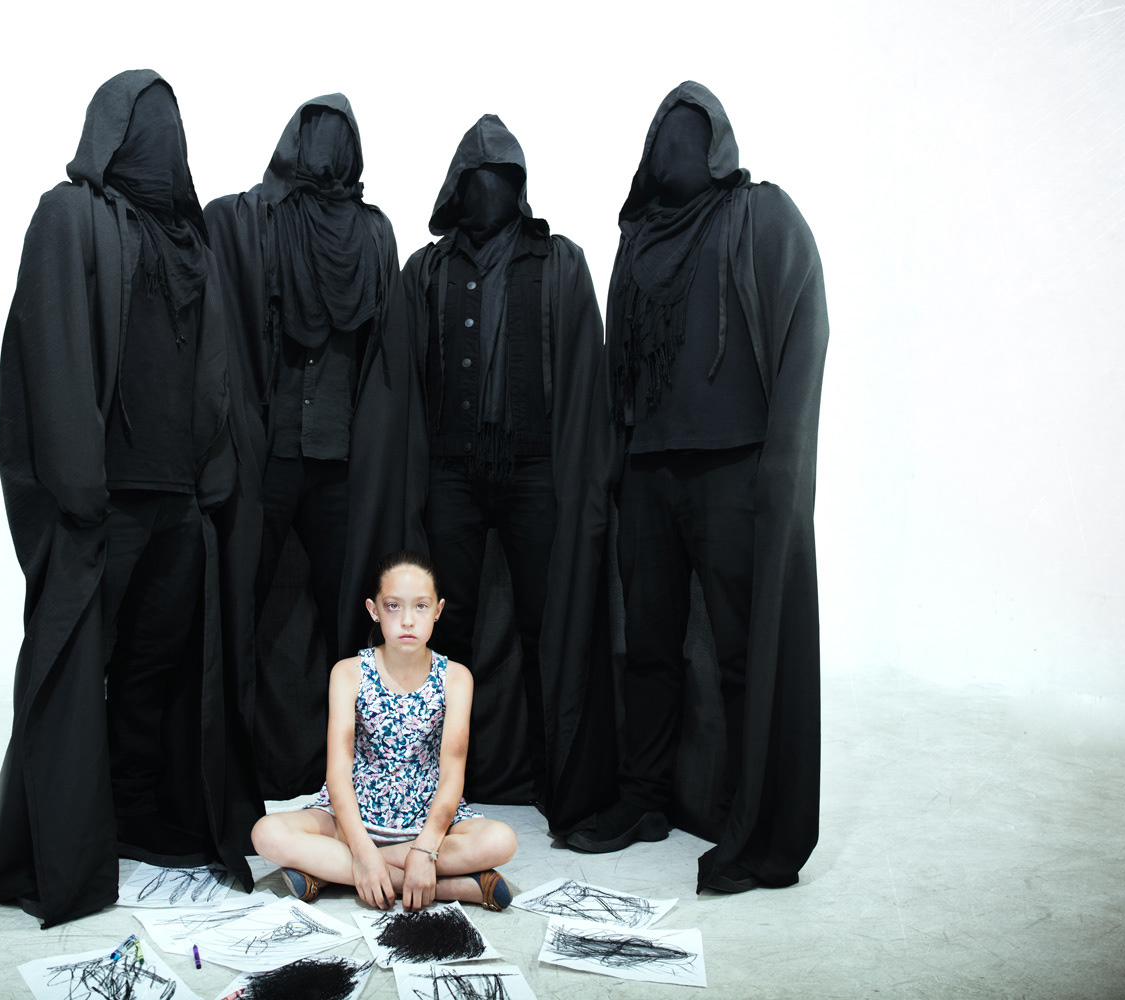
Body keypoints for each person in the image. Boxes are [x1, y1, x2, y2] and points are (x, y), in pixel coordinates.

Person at [0, 69, 258, 928]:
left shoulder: (190, 239)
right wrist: (78, 488)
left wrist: (212, 478)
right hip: (104, 499)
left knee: (153, 671)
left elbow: (214, 367)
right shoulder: (69, 216)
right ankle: (56, 850)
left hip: (178, 499)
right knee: (76, 671)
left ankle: (139, 814)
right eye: (148, 123)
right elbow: (50, 351)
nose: (164, 140)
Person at [567, 82, 828, 897]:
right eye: (663, 133)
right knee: (647, 646)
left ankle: (753, 817)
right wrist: (615, 464)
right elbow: (618, 361)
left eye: (691, 131)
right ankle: (645, 797)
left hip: (734, 467)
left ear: (719, 142)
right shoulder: (638, 235)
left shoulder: (759, 213)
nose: (674, 145)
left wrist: (782, 467)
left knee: (745, 651)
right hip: (649, 469)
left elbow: (803, 329)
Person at [342, 115, 619, 835]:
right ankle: (430, 790)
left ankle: (561, 782)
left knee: (547, 621)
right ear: (455, 187)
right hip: (451, 474)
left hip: (535, 469)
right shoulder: (427, 269)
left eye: (501, 178)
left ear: (520, 186)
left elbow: (585, 371)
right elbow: (401, 381)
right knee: (444, 628)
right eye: (475, 178)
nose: (487, 190)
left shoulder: (558, 261)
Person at [205, 95, 398, 799]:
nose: (324, 151)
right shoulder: (257, 220)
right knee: (240, 608)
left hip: (340, 460)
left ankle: (363, 774)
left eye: (337, 137)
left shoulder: (372, 233)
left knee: (356, 619)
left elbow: (383, 351)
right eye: (313, 135)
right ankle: (226, 769)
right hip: (272, 456)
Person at [250, 550, 517, 912]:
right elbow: (338, 772)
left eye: (420, 606)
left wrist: (425, 848)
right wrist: (362, 851)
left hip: (426, 816)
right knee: (266, 833)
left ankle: (329, 874)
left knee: (501, 840)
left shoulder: (456, 677)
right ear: (373, 610)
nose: (407, 620)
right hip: (352, 819)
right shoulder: (348, 672)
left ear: (438, 611)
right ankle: (449, 886)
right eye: (393, 606)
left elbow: (453, 773)